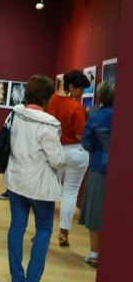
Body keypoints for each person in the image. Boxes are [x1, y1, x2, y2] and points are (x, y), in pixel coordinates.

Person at [4, 74, 65, 282]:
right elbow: (57, 160)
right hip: (40, 185)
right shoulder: (50, 124)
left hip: (15, 180)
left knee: (16, 227)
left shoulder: (15, 114)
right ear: (48, 98)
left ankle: (17, 277)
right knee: (44, 229)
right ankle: (32, 279)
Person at [46, 69, 91, 247]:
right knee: (70, 193)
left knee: (51, 191)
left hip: (56, 150)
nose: (82, 93)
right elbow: (80, 136)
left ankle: (44, 229)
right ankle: (64, 233)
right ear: (71, 86)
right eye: (81, 89)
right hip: (76, 152)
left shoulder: (51, 101)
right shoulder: (77, 108)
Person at [79, 80, 115, 268]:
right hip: (122, 172)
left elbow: (87, 144)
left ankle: (94, 253)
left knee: (95, 211)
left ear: (99, 96)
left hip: (99, 166)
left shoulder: (95, 116)